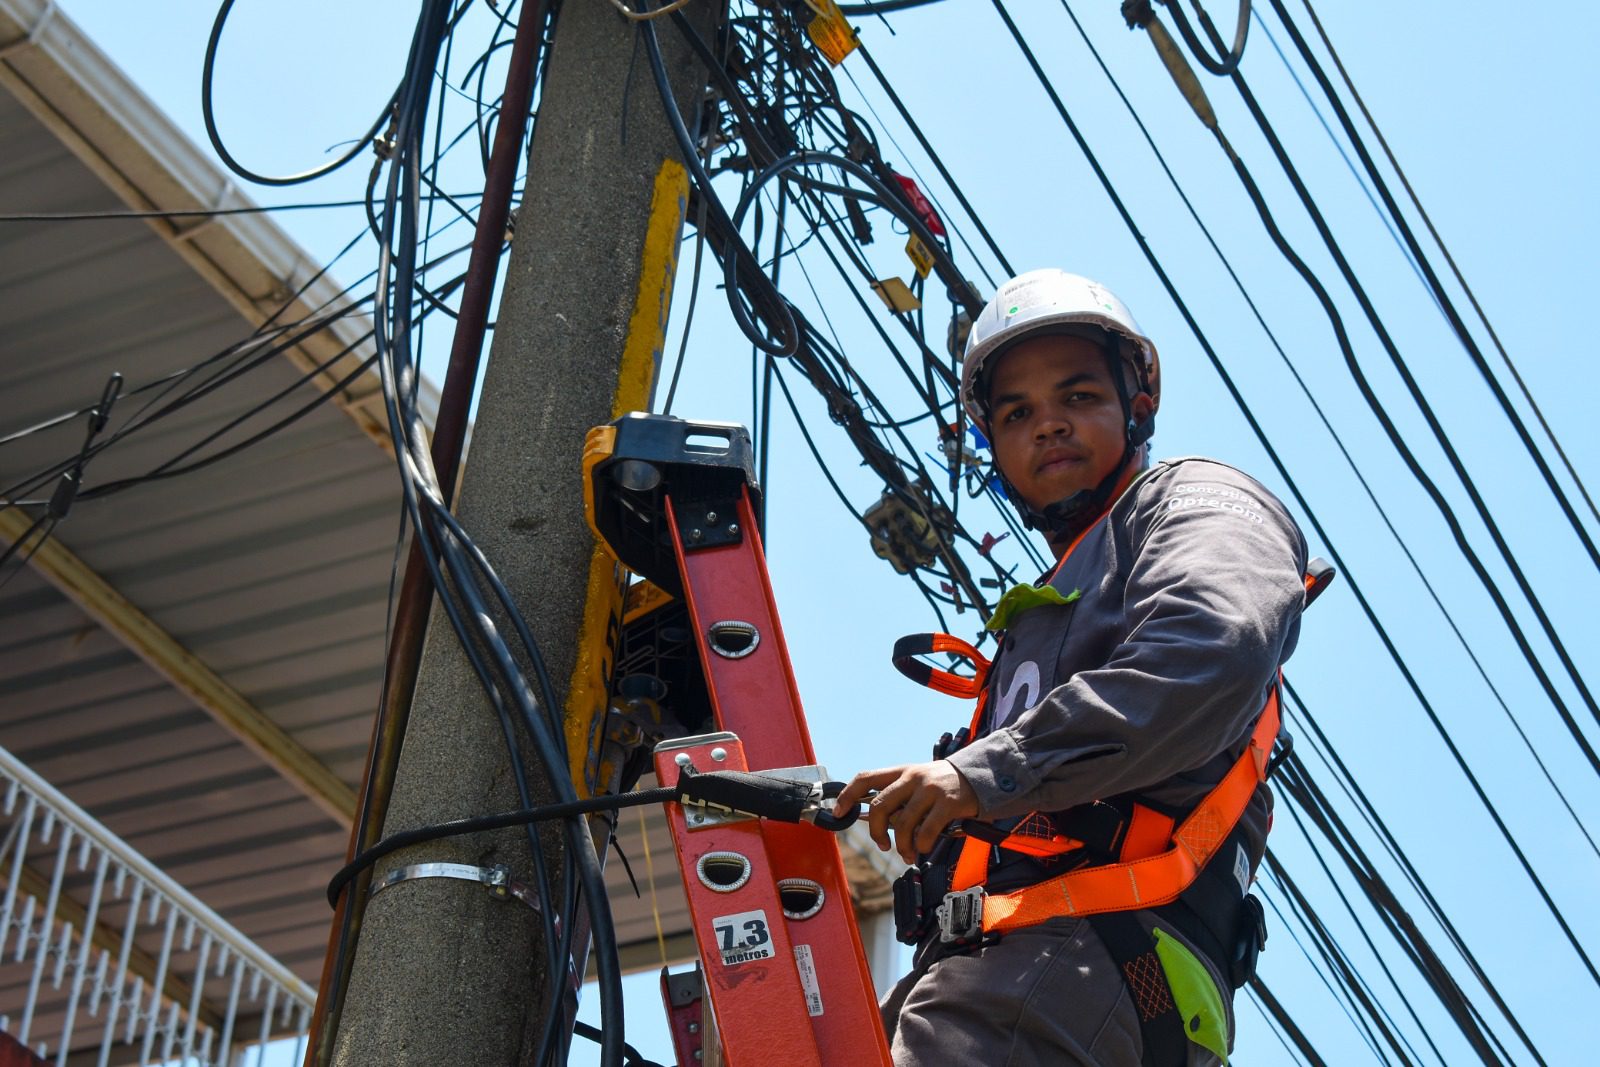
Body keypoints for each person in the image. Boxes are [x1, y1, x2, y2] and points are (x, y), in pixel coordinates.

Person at [833, 268, 1312, 1065]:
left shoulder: (1191, 501)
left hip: (1078, 956)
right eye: (1017, 413)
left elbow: (1212, 642)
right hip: (1041, 971)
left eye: (1079, 396)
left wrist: (986, 772)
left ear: (1140, 402)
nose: (1048, 425)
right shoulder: (1055, 606)